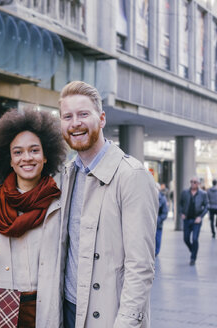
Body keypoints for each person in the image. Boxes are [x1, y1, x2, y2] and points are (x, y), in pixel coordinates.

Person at [59, 81, 157, 328]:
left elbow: (141, 267)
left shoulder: (132, 176)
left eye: (83, 114)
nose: (75, 123)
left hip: (108, 317)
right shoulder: (66, 175)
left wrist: (125, 323)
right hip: (68, 310)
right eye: (67, 116)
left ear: (101, 119)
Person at [0, 108, 67, 327]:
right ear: (10, 159)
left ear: (45, 156)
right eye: (18, 152)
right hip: (1, 305)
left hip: (46, 307)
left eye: (34, 150)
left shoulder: (60, 203)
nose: (27, 158)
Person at [179, 176, 208, 265]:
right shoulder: (185, 193)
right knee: (186, 239)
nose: (193, 183)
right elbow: (180, 204)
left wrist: (201, 217)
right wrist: (181, 213)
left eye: (195, 182)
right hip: (187, 219)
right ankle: (193, 251)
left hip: (196, 220)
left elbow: (207, 206)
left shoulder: (203, 194)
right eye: (191, 181)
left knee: (195, 239)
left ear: (198, 184)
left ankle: (193, 258)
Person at [156, 183, 169, 257]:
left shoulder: (162, 198)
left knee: (157, 239)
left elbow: (165, 212)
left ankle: (156, 253)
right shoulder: (148, 197)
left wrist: (159, 219)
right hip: (148, 224)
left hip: (158, 223)